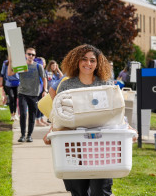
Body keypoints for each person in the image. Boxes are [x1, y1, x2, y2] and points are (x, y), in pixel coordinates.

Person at [43, 44, 114, 196]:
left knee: (100, 190)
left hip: (100, 145)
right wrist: (52, 130)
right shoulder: (67, 85)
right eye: (84, 59)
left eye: (92, 60)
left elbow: (114, 112)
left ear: (98, 63)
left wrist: (128, 128)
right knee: (78, 190)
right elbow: (60, 113)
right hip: (74, 144)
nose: (88, 64)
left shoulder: (105, 84)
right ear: (76, 60)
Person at [8, 48, 47, 143]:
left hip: (34, 94)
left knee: (32, 116)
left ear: (34, 56)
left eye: (33, 55)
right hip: (22, 94)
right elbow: (10, 74)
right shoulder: (22, 66)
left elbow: (44, 78)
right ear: (25, 55)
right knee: (23, 114)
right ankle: (22, 135)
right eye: (29, 54)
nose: (31, 56)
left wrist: (45, 90)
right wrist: (10, 62)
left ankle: (29, 135)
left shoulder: (38, 66)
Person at [35, 57, 49, 126]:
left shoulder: (44, 71)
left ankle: (42, 119)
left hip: (43, 90)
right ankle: (37, 121)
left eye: (44, 63)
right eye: (42, 63)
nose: (43, 64)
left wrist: (45, 90)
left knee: (43, 105)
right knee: (38, 106)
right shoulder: (36, 71)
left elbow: (45, 81)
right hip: (37, 90)